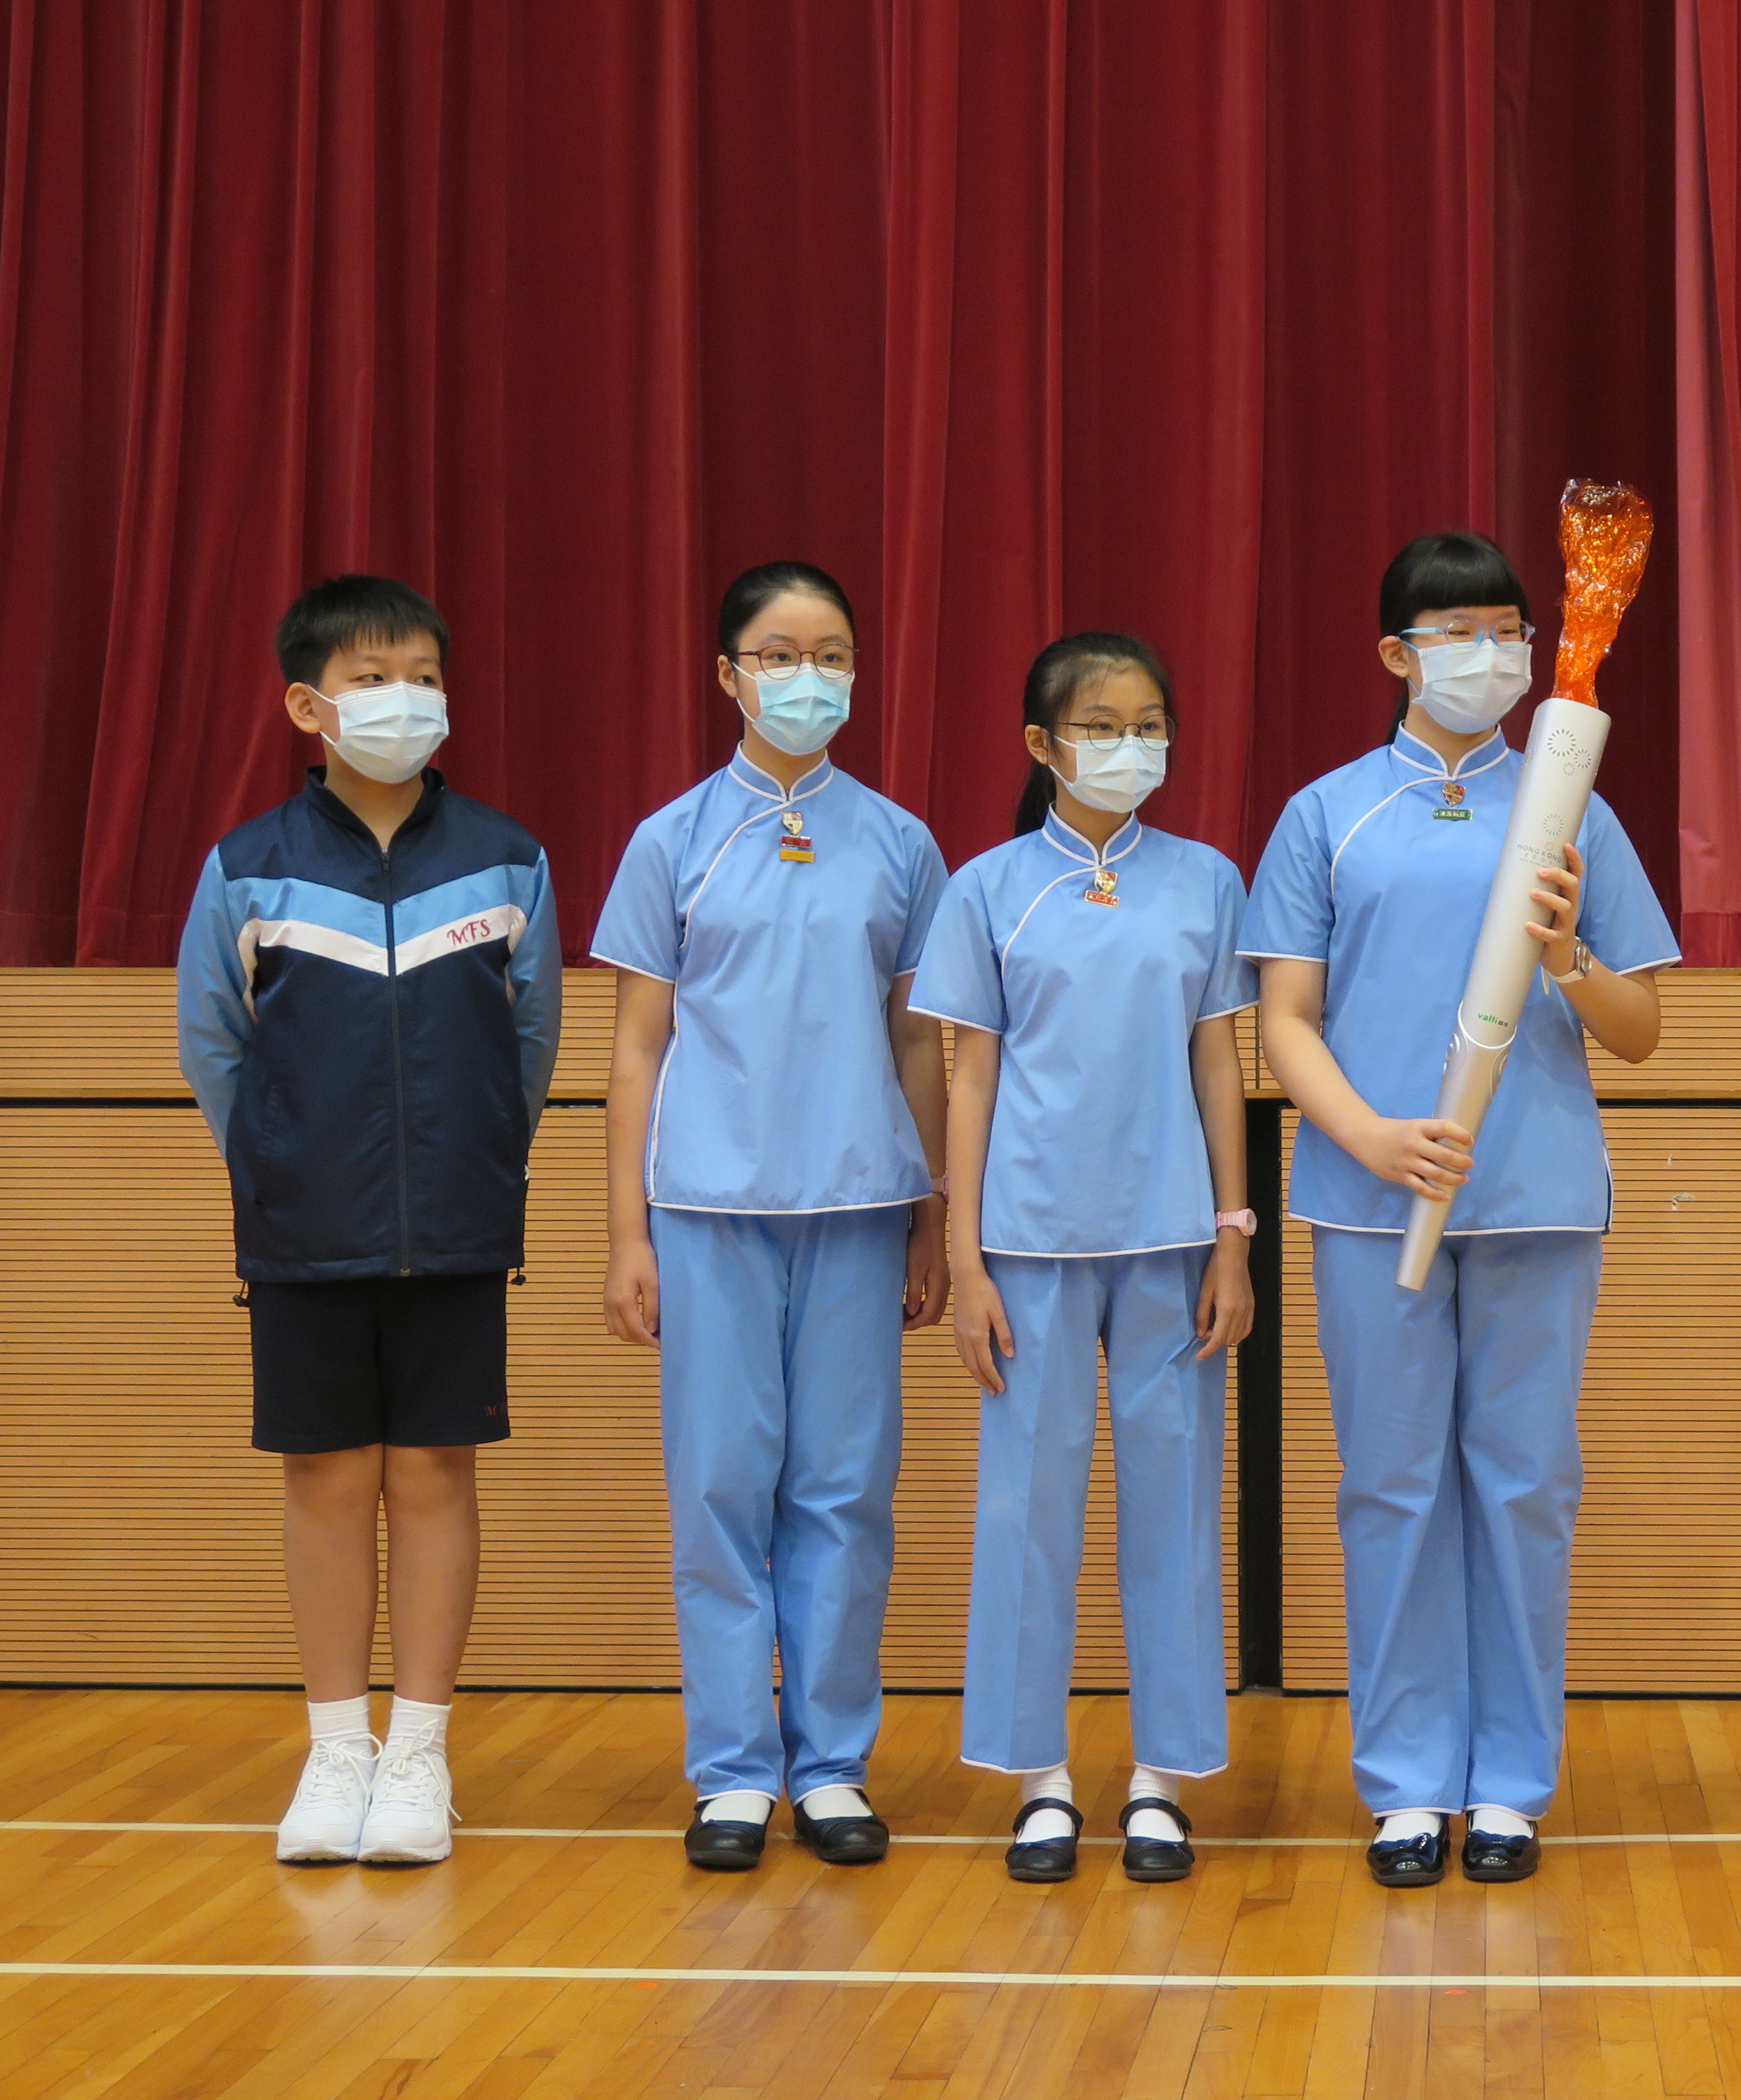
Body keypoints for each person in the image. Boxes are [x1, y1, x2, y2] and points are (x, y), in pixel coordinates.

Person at [1243, 531, 1679, 1888]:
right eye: (1456, 634)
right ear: (1397, 653)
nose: (1487, 655)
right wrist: (1368, 1135)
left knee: (1524, 1488)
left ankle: (1506, 1784)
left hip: (1534, 1197)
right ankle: (1405, 1782)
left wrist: (1569, 956)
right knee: (1390, 1489)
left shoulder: (1572, 804)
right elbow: (1284, 1020)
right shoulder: (1325, 816)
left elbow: (1640, 1029)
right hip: (1370, 1200)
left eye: (1505, 630)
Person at [178, 574, 561, 1867]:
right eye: (373, 677)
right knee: (329, 1479)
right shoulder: (248, 866)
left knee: (436, 1476)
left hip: (455, 1225)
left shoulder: (507, 858)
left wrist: (477, 1164)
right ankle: (338, 1748)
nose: (406, 699)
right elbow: (215, 1047)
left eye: (424, 676)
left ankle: (418, 1755)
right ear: (310, 705)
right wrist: (285, 1168)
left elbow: (530, 1043)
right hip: (307, 1230)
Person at [594, 561, 949, 1873]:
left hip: (860, 1205)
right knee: (722, 1489)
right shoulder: (673, 840)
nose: (811, 677)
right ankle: (736, 1770)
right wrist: (627, 1233)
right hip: (708, 1208)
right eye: (782, 654)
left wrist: (932, 1215)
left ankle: (834, 1765)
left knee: (846, 1493)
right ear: (729, 675)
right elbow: (637, 1049)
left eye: (834, 654)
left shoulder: (901, 843)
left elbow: (917, 1042)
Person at [913, 634, 1257, 1886]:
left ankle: (1164, 1777)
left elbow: (1219, 1061)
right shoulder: (989, 888)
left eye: (1149, 724)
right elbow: (971, 1079)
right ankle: (1039, 1780)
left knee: (1176, 1509)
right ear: (1041, 745)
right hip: (1029, 1245)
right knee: (1026, 1510)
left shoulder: (1207, 880)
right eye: (1102, 726)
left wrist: (1234, 1235)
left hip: (1173, 1245)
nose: (1130, 746)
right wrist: (966, 1261)